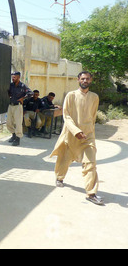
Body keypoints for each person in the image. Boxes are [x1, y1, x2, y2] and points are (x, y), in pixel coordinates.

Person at [50, 71, 103, 205]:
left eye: (88, 79)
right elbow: (66, 116)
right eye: (83, 78)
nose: (85, 81)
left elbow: (93, 116)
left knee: (91, 163)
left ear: (91, 81)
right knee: (65, 159)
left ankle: (91, 193)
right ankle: (59, 177)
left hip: (88, 136)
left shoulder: (94, 97)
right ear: (78, 80)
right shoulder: (71, 96)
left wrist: (88, 131)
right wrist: (76, 131)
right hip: (71, 135)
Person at [7, 71, 33, 146]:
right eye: (12, 77)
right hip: (10, 105)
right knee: (8, 122)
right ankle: (13, 135)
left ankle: (18, 139)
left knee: (18, 123)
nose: (13, 78)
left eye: (14, 77)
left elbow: (31, 93)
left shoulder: (22, 86)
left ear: (18, 77)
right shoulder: (11, 85)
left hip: (18, 106)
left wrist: (23, 98)